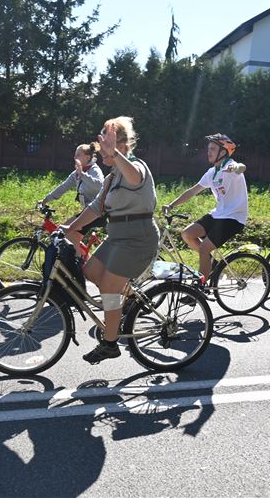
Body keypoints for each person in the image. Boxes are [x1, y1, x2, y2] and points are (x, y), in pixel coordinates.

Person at [63, 116, 159, 364]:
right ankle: (127, 300)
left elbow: (135, 178)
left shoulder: (136, 166)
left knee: (108, 286)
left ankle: (110, 343)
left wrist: (114, 153)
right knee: (91, 271)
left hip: (138, 239)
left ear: (121, 145)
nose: (101, 151)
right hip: (117, 236)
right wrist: (70, 228)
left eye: (105, 146)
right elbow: (96, 208)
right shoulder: (111, 177)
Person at [163, 133, 247, 282]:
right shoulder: (211, 173)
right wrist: (171, 205)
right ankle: (211, 264)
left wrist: (236, 167)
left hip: (233, 218)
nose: (208, 152)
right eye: (208, 149)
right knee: (187, 234)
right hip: (218, 214)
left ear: (223, 152)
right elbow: (192, 191)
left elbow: (242, 167)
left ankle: (199, 287)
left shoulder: (229, 166)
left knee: (204, 248)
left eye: (212, 149)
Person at [39, 142, 105, 246]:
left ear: (87, 157)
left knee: (65, 230)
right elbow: (63, 187)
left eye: (78, 155)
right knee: (71, 236)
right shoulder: (77, 173)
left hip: (97, 212)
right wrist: (45, 200)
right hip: (87, 211)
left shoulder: (94, 170)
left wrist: (82, 175)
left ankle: (78, 256)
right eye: (75, 155)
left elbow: (99, 185)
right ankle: (80, 255)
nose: (75, 157)